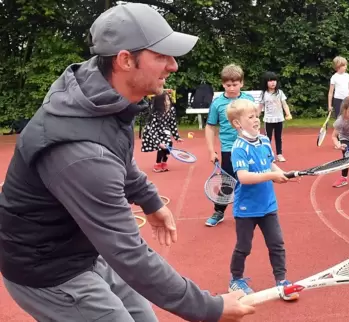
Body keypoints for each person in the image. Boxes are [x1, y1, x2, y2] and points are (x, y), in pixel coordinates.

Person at [0, 3, 255, 322]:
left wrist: (149, 200)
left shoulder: (100, 100)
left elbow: (118, 156)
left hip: (80, 250)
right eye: (161, 55)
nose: (174, 66)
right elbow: (129, 254)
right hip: (48, 272)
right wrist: (208, 307)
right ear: (124, 60)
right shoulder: (78, 152)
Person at [225, 98, 299, 301]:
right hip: (246, 209)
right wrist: (271, 176)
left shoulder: (265, 140)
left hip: (268, 205)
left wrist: (281, 174)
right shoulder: (239, 148)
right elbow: (244, 177)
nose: (256, 120)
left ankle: (282, 281)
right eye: (251, 117)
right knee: (244, 246)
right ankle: (236, 279)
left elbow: (270, 164)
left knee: (277, 244)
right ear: (237, 124)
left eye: (256, 116)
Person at [205, 64, 255, 227]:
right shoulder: (218, 103)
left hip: (249, 146)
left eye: (235, 84)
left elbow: (255, 122)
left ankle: (251, 210)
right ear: (223, 84)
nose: (232, 88)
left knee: (252, 179)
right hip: (229, 149)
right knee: (228, 181)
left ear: (242, 83)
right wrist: (211, 151)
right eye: (228, 85)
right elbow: (210, 126)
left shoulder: (249, 100)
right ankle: (219, 211)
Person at [141, 92, 183, 172]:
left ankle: (164, 163)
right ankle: (157, 164)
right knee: (162, 145)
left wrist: (177, 137)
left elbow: (172, 124)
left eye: (168, 100)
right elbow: (152, 130)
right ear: (159, 103)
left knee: (169, 145)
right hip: (153, 131)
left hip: (164, 130)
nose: (167, 102)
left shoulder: (171, 110)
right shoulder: (155, 113)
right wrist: (158, 143)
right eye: (164, 101)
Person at [258, 71, 292, 162]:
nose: (273, 83)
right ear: (266, 82)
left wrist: (288, 113)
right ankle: (269, 154)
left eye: (274, 80)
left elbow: (284, 104)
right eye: (270, 81)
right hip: (268, 120)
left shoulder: (280, 93)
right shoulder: (263, 94)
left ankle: (279, 154)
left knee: (278, 137)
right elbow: (260, 107)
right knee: (267, 138)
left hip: (279, 119)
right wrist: (256, 117)